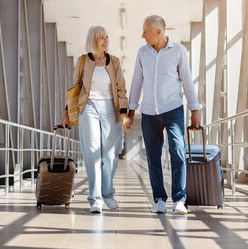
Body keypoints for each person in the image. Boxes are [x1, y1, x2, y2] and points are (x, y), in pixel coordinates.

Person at [127, 15, 201, 215]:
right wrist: (130, 111)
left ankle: (179, 199)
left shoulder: (178, 51)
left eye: (146, 31)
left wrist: (195, 109)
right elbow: (136, 82)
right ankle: (159, 198)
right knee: (153, 157)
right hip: (149, 112)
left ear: (159, 31)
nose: (143, 35)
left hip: (173, 109)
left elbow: (187, 80)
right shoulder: (142, 53)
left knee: (177, 150)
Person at [62, 26, 131, 213]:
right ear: (93, 39)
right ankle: (96, 198)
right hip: (89, 108)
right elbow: (75, 87)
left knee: (109, 156)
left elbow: (121, 89)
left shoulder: (114, 61)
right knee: (92, 153)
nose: (106, 40)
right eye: (102, 37)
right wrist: (67, 111)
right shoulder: (83, 61)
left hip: (110, 108)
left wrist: (124, 113)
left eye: (107, 37)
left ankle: (108, 193)